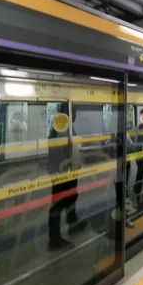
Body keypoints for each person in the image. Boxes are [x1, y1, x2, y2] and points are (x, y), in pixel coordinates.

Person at [47, 102, 87, 250]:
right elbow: (58, 152)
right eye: (73, 112)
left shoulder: (68, 127)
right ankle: (54, 239)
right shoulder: (60, 127)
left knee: (71, 197)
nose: (75, 115)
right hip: (62, 173)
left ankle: (72, 222)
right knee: (57, 204)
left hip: (70, 172)